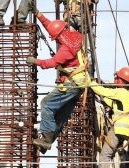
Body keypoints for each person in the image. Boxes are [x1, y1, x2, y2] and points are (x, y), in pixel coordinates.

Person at [29, 11, 87, 152]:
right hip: (79, 84)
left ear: (58, 36)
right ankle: (47, 142)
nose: (55, 40)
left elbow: (52, 62)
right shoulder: (73, 36)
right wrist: (38, 14)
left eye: (55, 38)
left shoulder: (66, 49)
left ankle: (46, 138)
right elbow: (52, 26)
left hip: (71, 84)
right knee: (60, 116)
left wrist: (35, 61)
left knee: (46, 104)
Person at [92, 67, 129, 166]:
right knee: (119, 155)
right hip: (127, 132)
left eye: (117, 77)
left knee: (105, 156)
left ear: (121, 80)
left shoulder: (120, 92)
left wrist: (90, 82)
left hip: (119, 130)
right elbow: (115, 105)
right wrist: (102, 99)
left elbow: (102, 91)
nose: (115, 79)